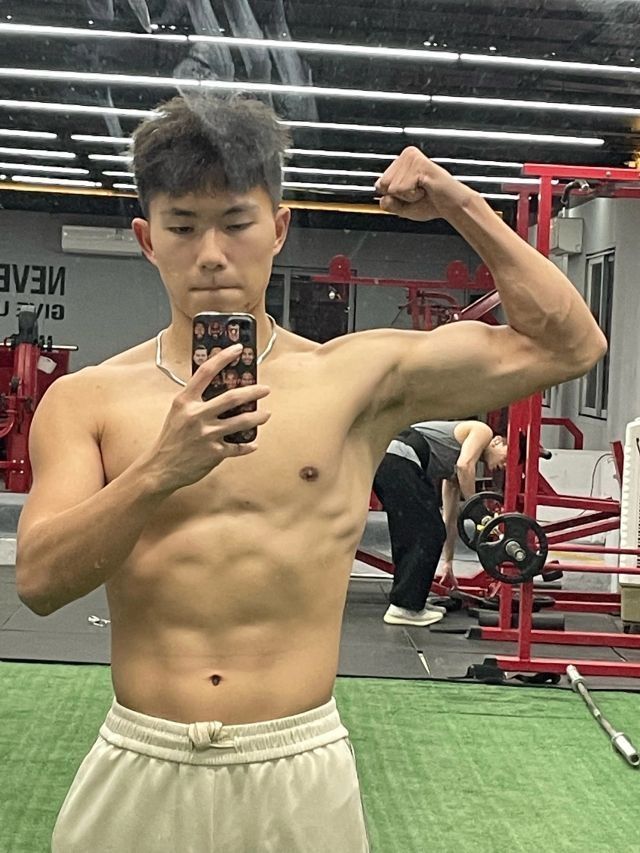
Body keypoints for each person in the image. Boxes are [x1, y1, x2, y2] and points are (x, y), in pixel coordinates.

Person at [14, 93, 606, 853]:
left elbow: (571, 346)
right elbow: (39, 581)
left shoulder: (352, 379)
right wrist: (159, 470)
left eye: (236, 223)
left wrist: (461, 204)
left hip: (296, 760)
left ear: (279, 228)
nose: (212, 253)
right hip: (140, 753)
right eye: (183, 227)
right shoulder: (86, 399)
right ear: (146, 239)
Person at [373, 421, 507, 626]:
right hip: (398, 458)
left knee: (424, 531)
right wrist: (477, 510)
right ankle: (404, 607)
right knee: (424, 532)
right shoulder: (483, 431)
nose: (506, 465)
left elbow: (449, 520)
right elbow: (464, 466)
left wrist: (448, 562)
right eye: (509, 455)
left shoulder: (453, 469)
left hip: (396, 460)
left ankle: (411, 602)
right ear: (497, 441)